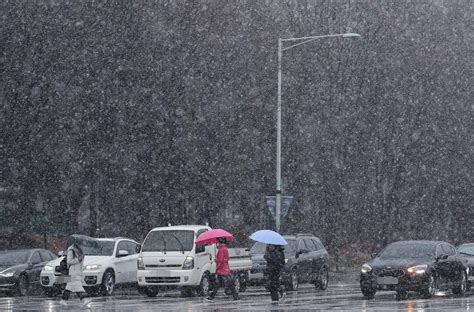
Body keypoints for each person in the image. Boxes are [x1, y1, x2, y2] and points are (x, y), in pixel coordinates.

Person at [206, 237, 240, 301]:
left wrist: (216, 263)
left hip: (222, 270)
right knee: (228, 283)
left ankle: (212, 296)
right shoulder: (225, 249)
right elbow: (226, 258)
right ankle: (235, 295)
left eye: (217, 242)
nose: (217, 244)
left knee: (218, 284)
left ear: (220, 243)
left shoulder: (221, 250)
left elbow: (220, 260)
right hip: (225, 269)